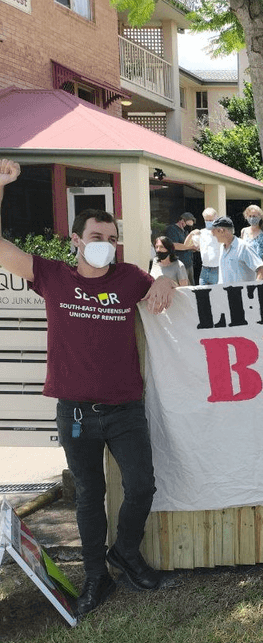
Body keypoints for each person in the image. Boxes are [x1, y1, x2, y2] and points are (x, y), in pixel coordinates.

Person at [0, 159, 177, 618]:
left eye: (112, 239)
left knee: (142, 486)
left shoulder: (130, 277)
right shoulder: (53, 276)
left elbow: (170, 281)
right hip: (75, 410)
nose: (106, 246)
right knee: (88, 494)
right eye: (97, 238)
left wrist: (164, 278)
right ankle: (96, 574)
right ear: (76, 240)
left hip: (124, 408)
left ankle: (126, 552)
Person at [211, 215, 263, 283]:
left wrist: (254, 289)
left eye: (214, 232)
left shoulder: (244, 247)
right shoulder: (222, 248)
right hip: (224, 292)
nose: (213, 235)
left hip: (242, 293)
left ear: (222, 231)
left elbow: (262, 269)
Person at [185, 207, 221, 285]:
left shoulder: (221, 233)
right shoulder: (201, 233)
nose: (209, 222)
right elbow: (186, 245)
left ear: (216, 219)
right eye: (207, 220)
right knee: (203, 295)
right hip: (204, 269)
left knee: (217, 295)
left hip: (218, 269)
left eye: (211, 220)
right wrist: (191, 234)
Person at [240, 204, 263, 277]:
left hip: (262, 272)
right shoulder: (244, 231)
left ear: (260, 217)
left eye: (254, 216)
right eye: (250, 216)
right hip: (248, 272)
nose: (252, 218)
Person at [163, 212, 196, 284]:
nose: (188, 227)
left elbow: (187, 245)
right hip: (179, 265)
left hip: (189, 264)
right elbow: (174, 245)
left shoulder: (185, 231)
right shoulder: (172, 229)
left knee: (191, 287)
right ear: (182, 221)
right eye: (187, 225)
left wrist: (193, 248)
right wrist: (190, 247)